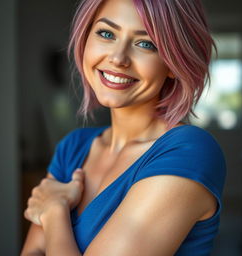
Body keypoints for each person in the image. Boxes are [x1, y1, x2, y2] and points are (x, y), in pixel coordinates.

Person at [21, 0, 226, 255]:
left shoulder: (189, 152)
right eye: (106, 33)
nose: (118, 58)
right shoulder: (73, 147)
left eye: (146, 43)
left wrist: (53, 211)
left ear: (174, 61)